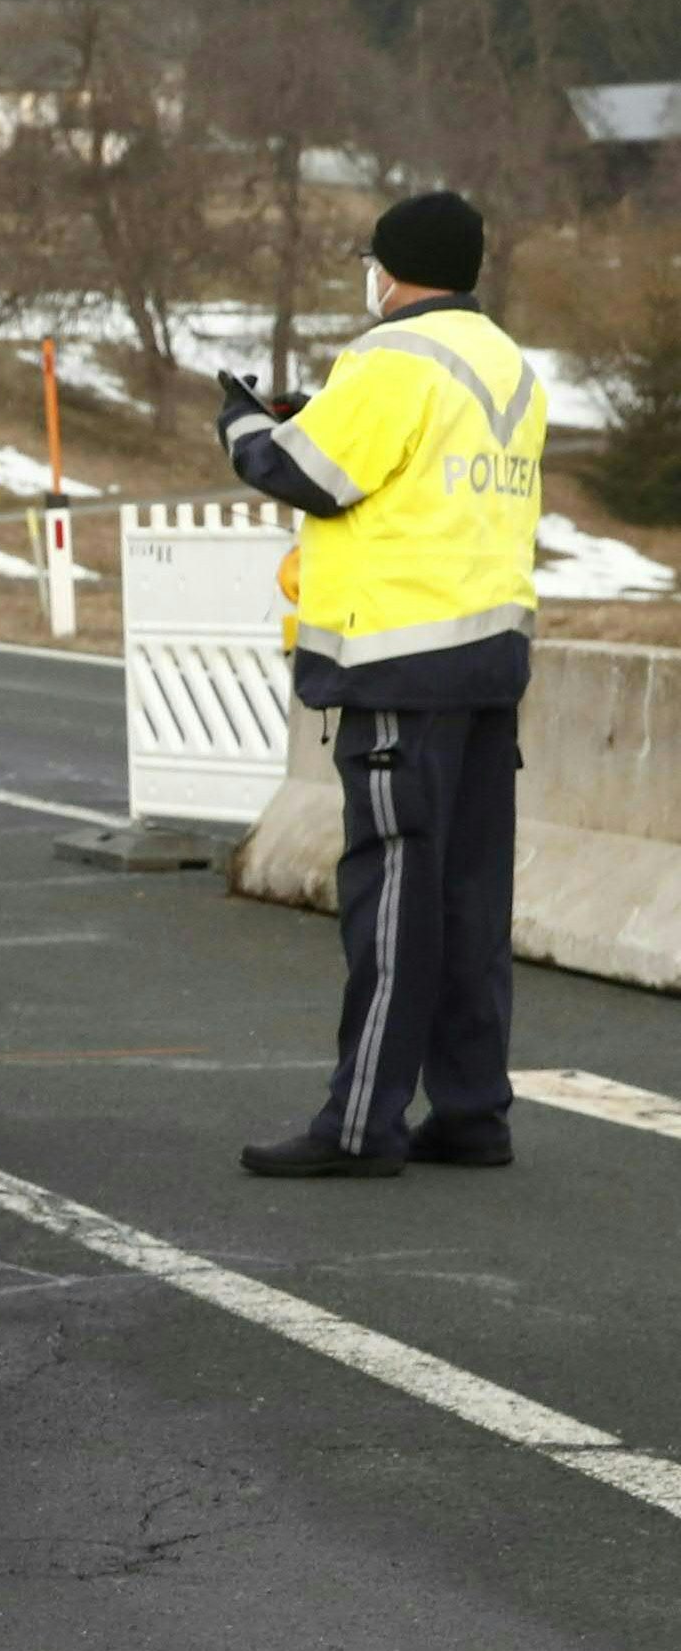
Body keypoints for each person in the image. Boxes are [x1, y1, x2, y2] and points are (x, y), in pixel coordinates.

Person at [217, 191, 542, 1179]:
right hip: (490, 663)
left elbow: (305, 470)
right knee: (472, 897)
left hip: (401, 666)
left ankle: (361, 1123)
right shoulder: (508, 365)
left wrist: (240, 422)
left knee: (394, 897)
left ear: (391, 269)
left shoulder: (390, 358)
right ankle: (473, 1109)